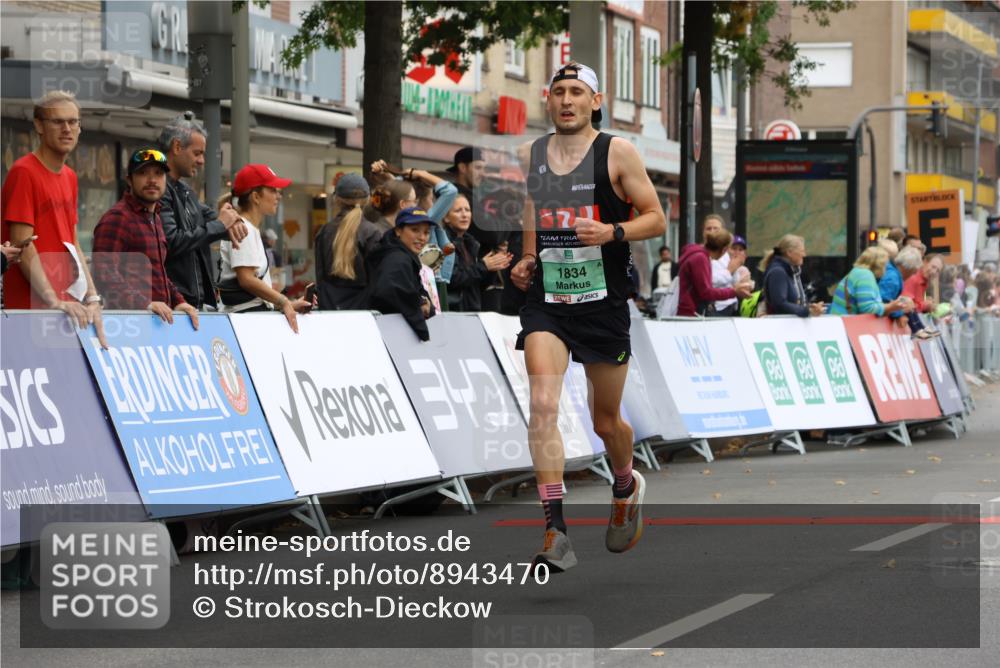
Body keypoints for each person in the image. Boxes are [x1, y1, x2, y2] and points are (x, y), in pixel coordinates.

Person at [508, 61, 666, 572]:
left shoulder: (617, 152)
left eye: (577, 92)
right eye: (559, 92)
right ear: (548, 101)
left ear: (595, 101)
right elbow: (533, 210)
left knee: (606, 422)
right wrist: (528, 258)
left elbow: (655, 217)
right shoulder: (530, 154)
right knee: (543, 401)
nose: (567, 100)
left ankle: (625, 481)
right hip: (548, 301)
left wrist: (613, 233)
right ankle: (555, 529)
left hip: (602, 302)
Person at [1, 90, 107, 347]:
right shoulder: (24, 172)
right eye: (57, 122)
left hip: (64, 310)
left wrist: (92, 297)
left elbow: (72, 240)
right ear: (39, 125)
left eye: (73, 122)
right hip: (30, 312)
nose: (67, 129)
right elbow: (23, 246)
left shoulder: (69, 176)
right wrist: (52, 299)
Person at [91, 148, 200, 328]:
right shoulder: (118, 218)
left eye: (158, 173)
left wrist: (179, 301)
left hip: (156, 325)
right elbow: (104, 275)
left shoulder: (155, 218)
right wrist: (145, 304)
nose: (152, 180)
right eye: (143, 173)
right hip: (129, 327)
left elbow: (159, 273)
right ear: (129, 180)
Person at [158, 113, 247, 310]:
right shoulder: (161, 191)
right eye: (197, 153)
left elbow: (215, 219)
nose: (201, 161)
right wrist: (221, 224)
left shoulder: (186, 192)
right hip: (173, 305)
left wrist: (233, 220)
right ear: (177, 147)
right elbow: (171, 241)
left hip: (192, 302)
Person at [216, 164, 312, 332]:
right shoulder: (242, 227)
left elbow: (253, 293)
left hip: (249, 319)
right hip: (245, 323)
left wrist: (289, 304)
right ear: (256, 197)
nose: (278, 196)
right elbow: (246, 279)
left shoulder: (247, 227)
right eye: (273, 190)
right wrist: (283, 301)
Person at [367, 207, 438, 342]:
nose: (422, 237)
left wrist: (425, 304)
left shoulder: (400, 254)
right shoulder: (397, 258)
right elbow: (391, 290)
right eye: (415, 230)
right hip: (388, 336)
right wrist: (422, 324)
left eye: (426, 232)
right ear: (398, 231)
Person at [314, 173, 380, 310]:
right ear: (367, 199)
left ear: (337, 199)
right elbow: (377, 282)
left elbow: (320, 278)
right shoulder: (372, 233)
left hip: (330, 312)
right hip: (364, 314)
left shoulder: (324, 232)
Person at [442, 194, 513, 311]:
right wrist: (483, 266)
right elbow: (451, 278)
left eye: (467, 210)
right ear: (446, 218)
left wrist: (492, 268)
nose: (464, 215)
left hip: (472, 310)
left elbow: (477, 284)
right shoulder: (444, 242)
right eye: (458, 211)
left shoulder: (472, 243)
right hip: (454, 312)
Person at [676, 228, 753, 317]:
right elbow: (706, 292)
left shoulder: (701, 255)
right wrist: (733, 292)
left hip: (692, 310)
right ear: (724, 249)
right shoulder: (700, 258)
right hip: (690, 312)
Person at [829, 246, 911, 316]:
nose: (886, 268)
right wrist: (891, 306)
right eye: (885, 264)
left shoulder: (857, 272)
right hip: (847, 325)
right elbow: (867, 308)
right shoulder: (865, 275)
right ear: (879, 264)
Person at [759, 234, 825, 317]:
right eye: (802, 251)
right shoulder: (778, 272)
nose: (804, 255)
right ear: (789, 253)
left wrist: (810, 308)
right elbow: (779, 304)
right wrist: (807, 311)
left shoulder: (790, 272)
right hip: (780, 327)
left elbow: (793, 303)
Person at [902, 253, 944, 321]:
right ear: (924, 262)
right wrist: (925, 305)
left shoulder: (924, 281)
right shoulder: (913, 278)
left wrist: (927, 305)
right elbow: (906, 306)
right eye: (933, 267)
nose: (934, 271)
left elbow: (915, 304)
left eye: (937, 271)